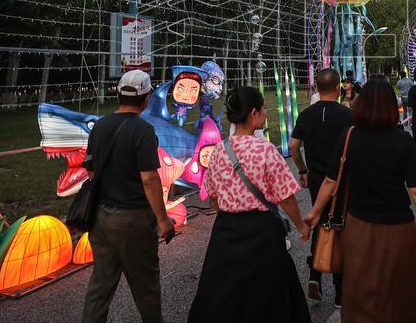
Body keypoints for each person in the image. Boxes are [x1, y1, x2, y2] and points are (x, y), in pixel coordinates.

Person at [305, 79, 416, 323]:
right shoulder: (402, 140)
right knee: (400, 288)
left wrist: (316, 212)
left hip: (358, 224)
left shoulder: (350, 136)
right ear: (392, 108)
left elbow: (330, 181)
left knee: (361, 286)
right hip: (398, 228)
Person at [189, 87, 311, 323]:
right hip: (262, 231)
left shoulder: (219, 151)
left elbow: (212, 193)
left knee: (224, 290)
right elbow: (285, 197)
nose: (265, 112)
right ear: (254, 113)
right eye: (264, 108)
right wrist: (301, 226)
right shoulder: (266, 150)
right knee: (267, 289)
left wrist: (228, 213)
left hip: (226, 230)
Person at [82, 70, 174, 323]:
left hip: (101, 216)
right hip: (133, 220)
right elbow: (149, 178)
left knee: (100, 287)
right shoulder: (143, 130)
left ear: (119, 94)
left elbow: (90, 168)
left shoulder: (99, 125)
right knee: (146, 288)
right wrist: (163, 220)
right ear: (146, 98)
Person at [289, 68, 351, 307]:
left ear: (317, 88)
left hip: (316, 179)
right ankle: (339, 292)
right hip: (342, 179)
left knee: (319, 221)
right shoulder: (347, 115)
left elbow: (294, 146)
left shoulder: (306, 115)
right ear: (337, 88)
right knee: (339, 225)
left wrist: (302, 170)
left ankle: (315, 274)